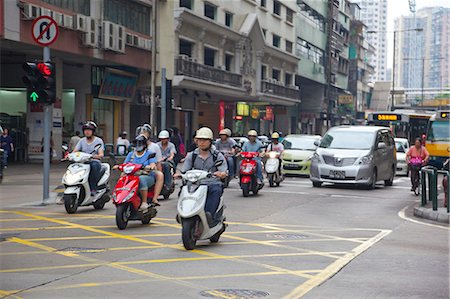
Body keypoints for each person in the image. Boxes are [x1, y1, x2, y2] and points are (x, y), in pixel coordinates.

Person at [175, 127, 228, 226]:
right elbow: (185, 170)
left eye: (204, 140)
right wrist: (180, 174)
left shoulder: (217, 155)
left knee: (216, 191)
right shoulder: (192, 155)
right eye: (199, 140)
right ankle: (183, 212)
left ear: (210, 141)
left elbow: (223, 170)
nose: (202, 143)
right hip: (195, 183)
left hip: (211, 183)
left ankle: (209, 215)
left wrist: (221, 174)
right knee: (183, 190)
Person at [119, 134, 163, 209]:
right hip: (132, 174)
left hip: (146, 175)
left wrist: (151, 166)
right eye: (137, 143)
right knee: (122, 177)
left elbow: (153, 163)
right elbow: (125, 164)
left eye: (141, 143)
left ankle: (144, 202)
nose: (138, 145)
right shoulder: (131, 154)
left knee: (141, 179)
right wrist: (118, 166)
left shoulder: (149, 153)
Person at [73, 121, 105, 196]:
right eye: (85, 130)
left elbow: (101, 154)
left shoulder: (98, 141)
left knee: (93, 166)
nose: (87, 132)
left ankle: (93, 188)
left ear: (93, 131)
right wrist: (70, 155)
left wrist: (96, 156)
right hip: (83, 162)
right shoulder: (81, 141)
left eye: (89, 130)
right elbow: (75, 151)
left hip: (94, 161)